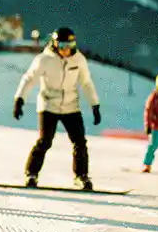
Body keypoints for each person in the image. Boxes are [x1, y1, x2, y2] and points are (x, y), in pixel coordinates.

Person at [13, 27, 101, 190]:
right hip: (48, 105)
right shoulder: (44, 59)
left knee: (80, 142)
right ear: (54, 44)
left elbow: (86, 83)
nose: (65, 50)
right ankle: (31, 174)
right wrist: (19, 99)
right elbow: (29, 78)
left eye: (69, 45)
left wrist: (95, 105)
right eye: (61, 45)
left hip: (71, 106)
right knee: (45, 141)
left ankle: (81, 176)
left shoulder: (78, 60)